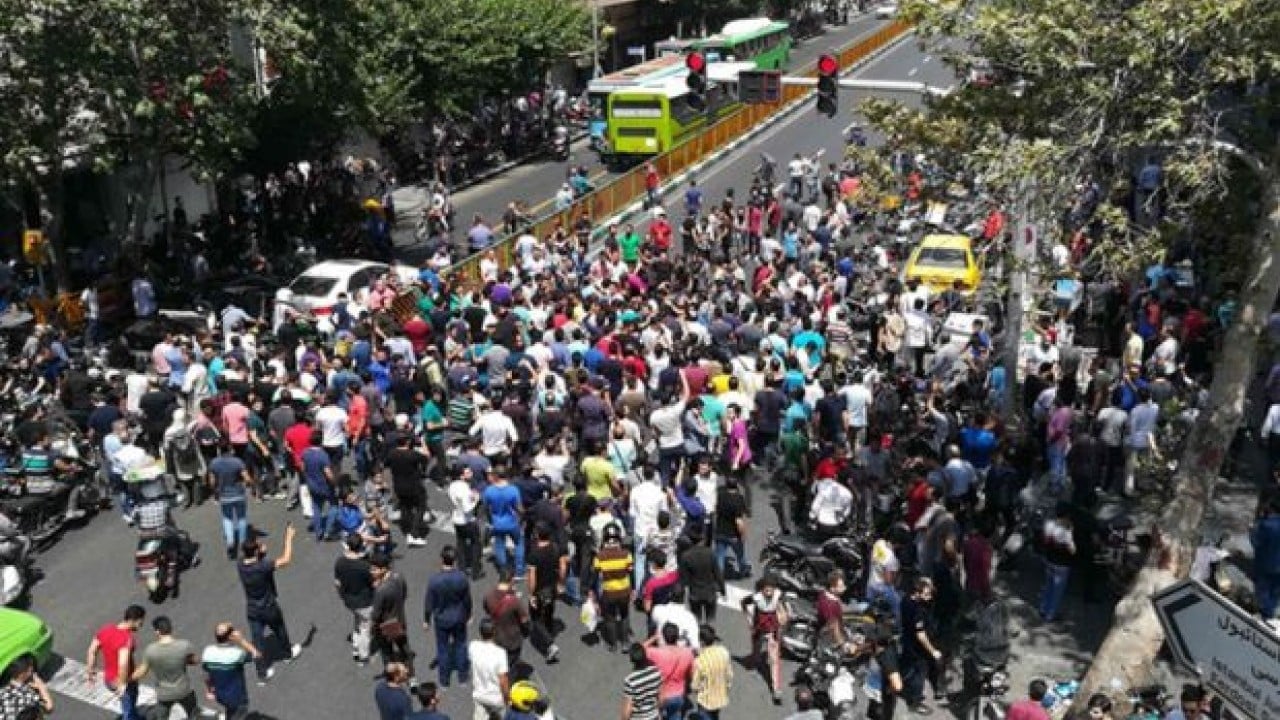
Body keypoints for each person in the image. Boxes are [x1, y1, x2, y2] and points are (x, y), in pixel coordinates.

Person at [237, 523, 303, 684]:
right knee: (279, 628)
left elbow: (253, 556)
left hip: (252, 608)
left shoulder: (240, 565)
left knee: (257, 639)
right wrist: (288, 538)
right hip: (268, 606)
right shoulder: (263, 566)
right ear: (257, 551)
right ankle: (287, 653)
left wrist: (259, 550)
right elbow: (286, 559)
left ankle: (262, 672)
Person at [129, 615, 204, 720]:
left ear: (157, 632)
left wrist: (126, 679)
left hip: (164, 694)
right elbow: (193, 660)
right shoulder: (183, 645)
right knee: (193, 713)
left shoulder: (151, 650)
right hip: (184, 690)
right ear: (170, 628)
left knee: (162, 716)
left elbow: (142, 672)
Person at [85, 604, 147, 720]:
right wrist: (122, 684)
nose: (141, 625)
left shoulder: (106, 630)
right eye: (141, 622)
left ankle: (134, 715)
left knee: (129, 702)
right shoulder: (126, 639)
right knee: (128, 707)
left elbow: (91, 651)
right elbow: (123, 664)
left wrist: (90, 671)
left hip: (109, 679)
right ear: (134, 620)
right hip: (124, 680)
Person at [424, 545, 472, 687]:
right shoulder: (462, 578)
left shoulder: (434, 580)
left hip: (441, 618)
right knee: (461, 645)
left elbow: (428, 603)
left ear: (441, 559)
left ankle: (444, 681)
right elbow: (467, 600)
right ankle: (462, 677)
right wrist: (469, 614)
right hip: (459, 617)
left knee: (443, 648)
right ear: (455, 560)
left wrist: (426, 620)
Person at [200, 622, 264, 720]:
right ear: (231, 636)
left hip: (220, 695)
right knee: (240, 713)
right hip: (238, 698)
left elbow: (206, 675)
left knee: (230, 710)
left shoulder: (208, 652)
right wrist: (241, 640)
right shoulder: (237, 654)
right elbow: (257, 655)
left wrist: (209, 691)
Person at [741, 575, 788, 704]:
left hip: (773, 631)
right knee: (756, 648)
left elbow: (784, 607)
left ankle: (776, 689)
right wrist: (749, 619)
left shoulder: (779, 596)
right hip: (759, 629)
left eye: (770, 590)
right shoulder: (756, 598)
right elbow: (744, 603)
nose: (769, 593)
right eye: (766, 591)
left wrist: (783, 614)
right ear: (761, 590)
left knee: (774, 661)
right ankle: (755, 660)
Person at [335, 534, 375, 665]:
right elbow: (373, 584)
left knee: (357, 624)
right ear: (361, 546)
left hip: (349, 601)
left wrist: (342, 596)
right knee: (365, 629)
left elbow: (337, 583)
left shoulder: (340, 562)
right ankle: (362, 657)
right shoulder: (364, 566)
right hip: (365, 602)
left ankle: (356, 649)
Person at [371, 552, 414, 675]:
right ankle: (411, 676)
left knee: (387, 652)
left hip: (386, 624)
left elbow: (376, 614)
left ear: (383, 569)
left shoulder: (380, 590)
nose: (371, 571)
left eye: (374, 569)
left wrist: (372, 627)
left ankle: (391, 675)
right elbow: (404, 594)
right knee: (404, 648)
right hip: (400, 619)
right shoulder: (399, 576)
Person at [209, 439, 252, 560]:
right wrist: (248, 485)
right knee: (241, 518)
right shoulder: (237, 461)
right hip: (238, 493)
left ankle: (230, 541)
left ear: (219, 449)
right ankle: (243, 543)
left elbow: (212, 482)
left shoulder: (214, 463)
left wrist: (215, 492)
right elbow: (247, 478)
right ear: (230, 448)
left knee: (227, 518)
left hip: (224, 495)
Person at [1039, 503, 1076, 622]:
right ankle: (1051, 614)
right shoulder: (1066, 530)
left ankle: (1043, 608)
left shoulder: (1049, 524)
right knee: (1057, 591)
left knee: (1048, 585)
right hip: (1062, 564)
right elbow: (1072, 550)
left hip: (1049, 560)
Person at [469, 618, 510, 720]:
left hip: (479, 696)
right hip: (496, 698)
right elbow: (503, 680)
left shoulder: (473, 647)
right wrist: (507, 698)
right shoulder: (500, 653)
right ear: (494, 632)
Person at [690, 625, 732, 720]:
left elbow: (695, 685)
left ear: (702, 642)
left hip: (706, 700)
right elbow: (729, 675)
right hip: (720, 696)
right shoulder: (723, 652)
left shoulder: (700, 661)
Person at [1251, 495, 1280, 620]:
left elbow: (1256, 542)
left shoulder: (1265, 525)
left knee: (1264, 589)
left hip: (1266, 563)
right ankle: (1272, 612)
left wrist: (1251, 531)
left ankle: (1265, 615)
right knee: (1275, 590)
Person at [0, 655, 53, 719]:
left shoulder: (2, 690)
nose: (32, 673)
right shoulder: (28, 695)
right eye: (31, 670)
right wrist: (41, 686)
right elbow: (49, 707)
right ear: (23, 674)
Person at [620, 643, 662, 720]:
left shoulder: (630, 680)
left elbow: (627, 710)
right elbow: (661, 698)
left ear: (631, 660)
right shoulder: (656, 672)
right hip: (653, 715)